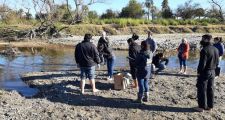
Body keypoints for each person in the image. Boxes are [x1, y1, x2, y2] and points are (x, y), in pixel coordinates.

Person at [195, 34, 219, 112]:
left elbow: (202, 64)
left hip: (205, 72)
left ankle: (201, 107)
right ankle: (210, 106)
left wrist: (199, 72)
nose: (201, 40)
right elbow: (217, 62)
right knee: (210, 89)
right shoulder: (216, 49)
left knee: (202, 89)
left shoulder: (204, 50)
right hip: (213, 71)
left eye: (202, 39)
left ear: (206, 39)